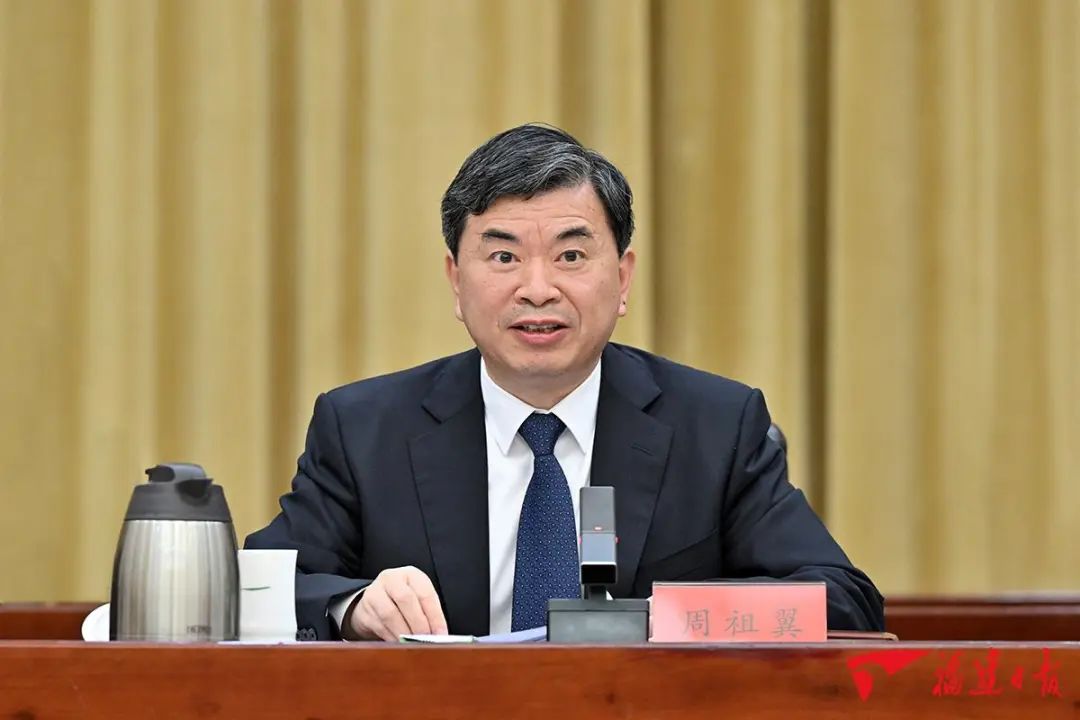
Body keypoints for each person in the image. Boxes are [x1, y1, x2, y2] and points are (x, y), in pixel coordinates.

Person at [245, 124, 885, 641]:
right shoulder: (365, 428)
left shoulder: (715, 425)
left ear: (623, 279)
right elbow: (261, 588)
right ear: (456, 282)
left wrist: (661, 620)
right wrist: (354, 605)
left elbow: (843, 600)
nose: (538, 289)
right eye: (503, 257)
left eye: (571, 256)